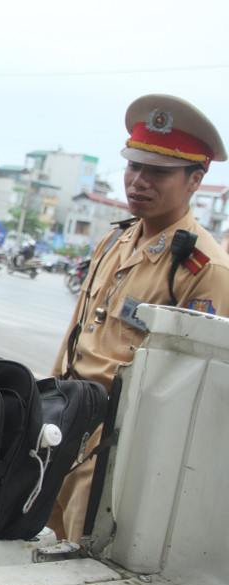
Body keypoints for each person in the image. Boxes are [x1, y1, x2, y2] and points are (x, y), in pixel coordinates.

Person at [49, 94, 229, 543]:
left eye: (159, 172)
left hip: (116, 447)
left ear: (195, 179)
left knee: (79, 570)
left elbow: (194, 394)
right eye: (134, 166)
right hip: (64, 422)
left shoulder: (204, 268)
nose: (139, 181)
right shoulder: (115, 241)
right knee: (31, 550)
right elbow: (75, 336)